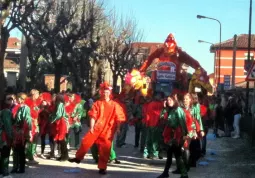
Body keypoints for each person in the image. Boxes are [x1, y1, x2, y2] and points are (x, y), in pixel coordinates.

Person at [68, 82, 126, 175]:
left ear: (109, 93)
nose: (105, 93)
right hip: (97, 127)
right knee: (86, 141)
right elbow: (93, 116)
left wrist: (118, 128)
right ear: (101, 92)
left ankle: (102, 168)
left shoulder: (115, 105)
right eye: (103, 91)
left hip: (108, 129)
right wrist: (91, 127)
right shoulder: (97, 103)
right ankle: (78, 157)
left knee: (105, 148)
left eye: (107, 91)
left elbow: (119, 118)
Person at [157, 95, 188, 178]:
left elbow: (183, 123)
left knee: (176, 155)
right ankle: (168, 173)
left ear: (175, 101)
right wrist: (164, 108)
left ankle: (183, 174)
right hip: (171, 136)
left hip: (177, 136)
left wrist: (185, 135)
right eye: (167, 100)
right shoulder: (169, 110)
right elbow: (161, 118)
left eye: (170, 100)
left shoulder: (178, 110)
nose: (169, 101)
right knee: (172, 154)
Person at [12, 93, 32, 174]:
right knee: (16, 150)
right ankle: (16, 167)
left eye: (18, 98)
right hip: (17, 130)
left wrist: (28, 131)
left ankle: (22, 168)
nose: (17, 99)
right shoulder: (19, 107)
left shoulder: (26, 108)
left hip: (22, 131)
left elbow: (27, 120)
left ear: (22, 99)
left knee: (21, 150)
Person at [50, 94, 69, 161]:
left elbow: (59, 114)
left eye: (55, 97)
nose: (54, 98)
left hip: (60, 122)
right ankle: (63, 155)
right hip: (59, 122)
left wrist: (52, 120)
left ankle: (65, 156)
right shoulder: (59, 104)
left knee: (61, 139)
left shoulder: (59, 104)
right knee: (60, 139)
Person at [0, 95, 14, 177]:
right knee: (5, 154)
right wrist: (11, 137)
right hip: (4, 136)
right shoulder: (6, 112)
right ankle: (5, 171)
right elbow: (8, 125)